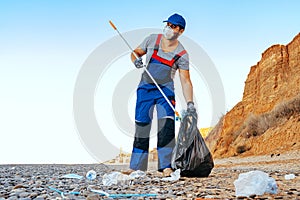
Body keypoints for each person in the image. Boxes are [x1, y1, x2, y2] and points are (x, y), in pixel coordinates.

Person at [126, 13, 195, 176]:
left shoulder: (182, 54)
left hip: (166, 91)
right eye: (168, 25)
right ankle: (136, 166)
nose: (169, 28)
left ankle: (165, 166)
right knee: (142, 126)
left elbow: (185, 80)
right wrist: (135, 59)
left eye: (173, 26)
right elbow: (135, 52)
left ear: (181, 31)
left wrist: (190, 103)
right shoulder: (152, 39)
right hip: (145, 89)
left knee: (166, 127)